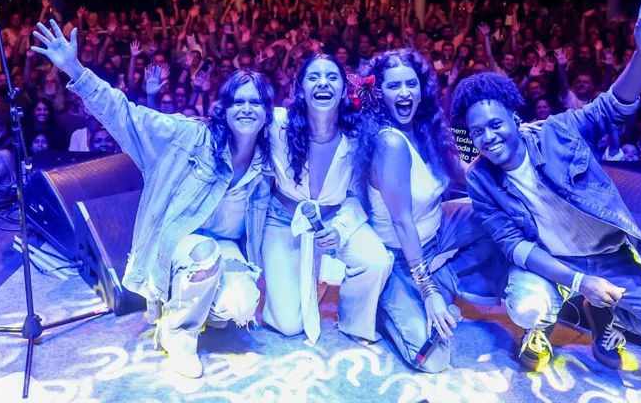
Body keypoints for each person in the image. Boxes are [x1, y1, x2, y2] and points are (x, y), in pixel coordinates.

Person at [459, 0, 641, 373]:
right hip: (551, 261)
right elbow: (514, 247)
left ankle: (604, 313)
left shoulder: (559, 131)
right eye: (478, 132)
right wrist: (579, 280)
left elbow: (613, 105)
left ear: (514, 116)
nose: (489, 137)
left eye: (495, 125)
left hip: (613, 255)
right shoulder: (480, 178)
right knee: (526, 307)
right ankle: (543, 326)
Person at [31, 22, 273, 380]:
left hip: (223, 247)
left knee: (239, 305)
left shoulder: (265, 162)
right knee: (206, 255)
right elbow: (126, 114)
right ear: (224, 108)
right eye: (239, 101)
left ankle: (196, 308)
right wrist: (74, 69)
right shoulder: (189, 138)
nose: (248, 109)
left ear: (270, 112)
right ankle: (178, 332)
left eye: (257, 102)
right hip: (182, 246)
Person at [353, 48, 504, 372]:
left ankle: (441, 281)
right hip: (402, 257)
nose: (405, 93)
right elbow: (402, 221)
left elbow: (465, 174)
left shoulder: (429, 129)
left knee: (502, 216)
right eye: (394, 86)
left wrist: (497, 138)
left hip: (439, 232)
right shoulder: (389, 143)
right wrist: (428, 291)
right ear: (378, 94)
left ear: (422, 88)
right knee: (433, 360)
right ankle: (385, 304)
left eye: (411, 83)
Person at [261, 54, 392, 347]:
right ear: (301, 89)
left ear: (344, 90)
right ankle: (308, 279)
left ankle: (354, 319)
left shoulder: (358, 135)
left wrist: (340, 231)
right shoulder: (277, 125)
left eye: (332, 77)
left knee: (376, 262)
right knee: (289, 324)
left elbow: (357, 196)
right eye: (313, 77)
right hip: (283, 221)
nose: (323, 82)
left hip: (333, 219)